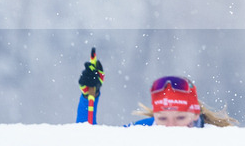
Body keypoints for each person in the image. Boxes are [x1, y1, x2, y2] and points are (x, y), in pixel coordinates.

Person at [76, 53, 236, 127]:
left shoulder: (216, 139)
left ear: (194, 114)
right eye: (162, 119)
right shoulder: (144, 130)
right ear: (155, 115)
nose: (171, 127)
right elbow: (89, 144)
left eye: (180, 118)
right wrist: (89, 95)